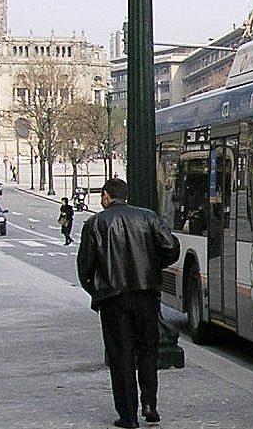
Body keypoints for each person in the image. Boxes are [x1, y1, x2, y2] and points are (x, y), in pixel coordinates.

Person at [77, 178, 180, 429]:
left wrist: (98, 289)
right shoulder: (147, 217)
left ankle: (128, 414)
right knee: (148, 349)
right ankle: (149, 404)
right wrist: (153, 268)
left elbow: (85, 267)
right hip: (146, 294)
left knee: (121, 355)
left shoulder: (95, 224)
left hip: (113, 297)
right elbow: (171, 247)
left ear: (106, 195)